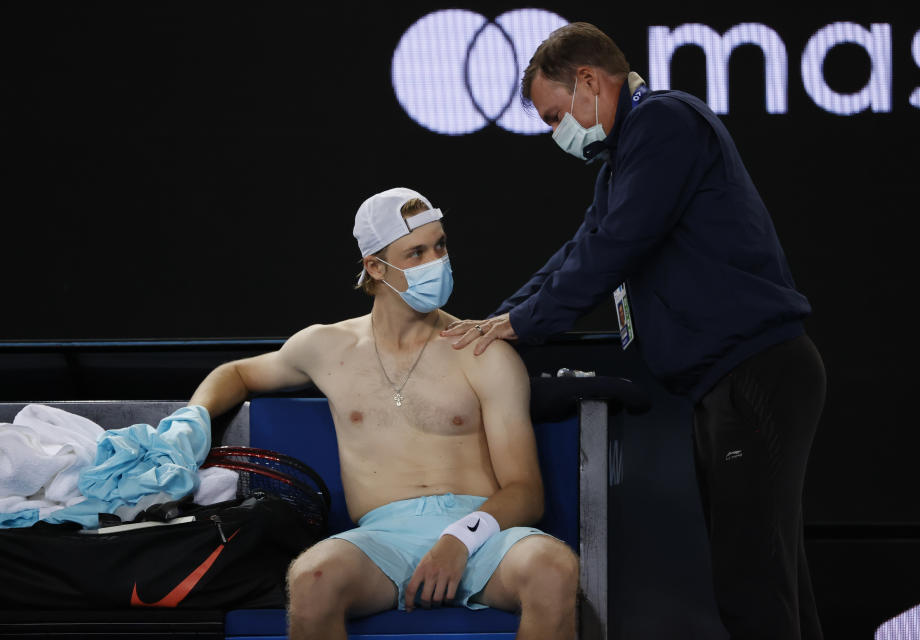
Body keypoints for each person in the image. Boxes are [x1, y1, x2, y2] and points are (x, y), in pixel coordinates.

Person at [441, 22, 826, 640]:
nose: (555, 133)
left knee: (752, 587)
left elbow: (616, 248)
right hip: (723, 384)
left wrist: (522, 323)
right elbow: (579, 250)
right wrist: (498, 320)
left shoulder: (664, 123)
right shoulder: (618, 165)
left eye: (553, 115)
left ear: (590, 81)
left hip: (756, 374)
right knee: (770, 583)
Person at [188, 187, 578, 640]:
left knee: (554, 570)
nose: (436, 261)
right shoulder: (326, 347)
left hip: (483, 535)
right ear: (375, 267)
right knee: (312, 579)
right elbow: (236, 373)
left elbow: (526, 492)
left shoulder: (482, 351)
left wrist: (459, 540)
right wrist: (191, 422)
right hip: (384, 540)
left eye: (440, 245)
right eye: (416, 252)